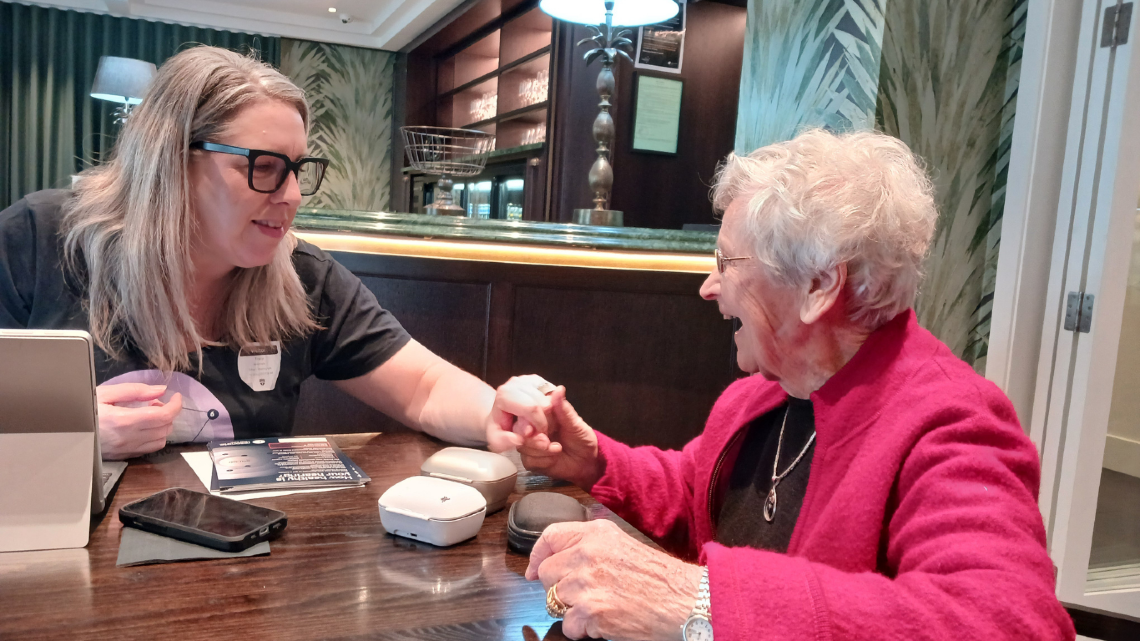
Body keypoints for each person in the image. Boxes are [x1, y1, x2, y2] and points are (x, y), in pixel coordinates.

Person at [493, 130, 1076, 640]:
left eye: (726, 263)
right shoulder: (768, 392)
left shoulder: (953, 422)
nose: (708, 287)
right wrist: (598, 463)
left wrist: (700, 604)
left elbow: (1011, 624)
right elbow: (699, 490)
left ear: (820, 285)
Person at [0, 46, 536, 460]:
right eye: (262, 165)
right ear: (172, 161)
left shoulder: (302, 276)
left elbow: (424, 387)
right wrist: (70, 431)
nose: (293, 195)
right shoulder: (39, 239)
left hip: (243, 570)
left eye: (298, 168)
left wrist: (498, 414)